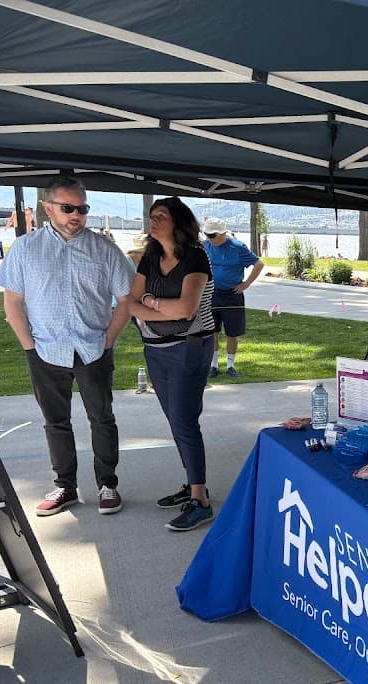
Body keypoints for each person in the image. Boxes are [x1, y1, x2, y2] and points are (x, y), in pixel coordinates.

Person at [0, 176, 133, 516]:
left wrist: (108, 341)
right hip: (45, 350)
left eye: (82, 209)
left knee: (102, 418)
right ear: (48, 208)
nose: (76, 215)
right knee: (55, 422)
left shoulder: (104, 250)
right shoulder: (25, 249)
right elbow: (12, 301)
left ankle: (108, 485)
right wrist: (29, 347)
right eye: (68, 208)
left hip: (93, 349)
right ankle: (65, 486)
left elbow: (126, 300)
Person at [130, 198, 216, 531]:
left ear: (178, 222)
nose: (153, 221)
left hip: (189, 349)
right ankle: (193, 485)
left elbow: (186, 310)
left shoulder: (196, 257)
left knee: (183, 421)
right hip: (155, 349)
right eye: (151, 216)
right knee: (175, 420)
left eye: (161, 216)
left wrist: (150, 302)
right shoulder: (150, 257)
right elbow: (130, 303)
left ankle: (201, 502)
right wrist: (159, 306)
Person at [201, 217, 264, 378]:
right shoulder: (204, 246)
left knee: (232, 332)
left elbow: (259, 264)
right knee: (212, 331)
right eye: (207, 235)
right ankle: (213, 365)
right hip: (210, 294)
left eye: (213, 235)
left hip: (232, 295)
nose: (210, 238)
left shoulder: (237, 247)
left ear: (222, 233)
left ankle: (230, 365)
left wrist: (246, 283)